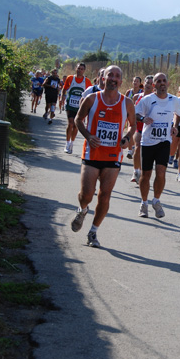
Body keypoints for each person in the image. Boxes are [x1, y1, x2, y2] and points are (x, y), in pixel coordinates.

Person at [70, 66, 136, 247]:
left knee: (105, 196)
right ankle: (83, 210)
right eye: (110, 75)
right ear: (103, 78)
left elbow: (133, 125)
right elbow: (78, 119)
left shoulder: (127, 103)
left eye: (117, 76)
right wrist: (88, 136)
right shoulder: (92, 99)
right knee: (86, 194)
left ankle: (93, 232)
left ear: (121, 81)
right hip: (92, 152)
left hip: (113, 156)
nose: (113, 78)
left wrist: (127, 138)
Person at [136, 72, 180, 218]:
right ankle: (144, 203)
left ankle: (156, 201)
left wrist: (175, 126)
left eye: (164, 80)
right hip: (148, 141)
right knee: (146, 174)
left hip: (164, 141)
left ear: (167, 83)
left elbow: (179, 114)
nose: (162, 83)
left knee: (161, 172)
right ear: (154, 84)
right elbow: (136, 114)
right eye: (159, 81)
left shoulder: (173, 100)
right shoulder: (147, 99)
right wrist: (143, 118)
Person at [62, 63, 92, 154]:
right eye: (78, 68)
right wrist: (62, 97)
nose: (80, 70)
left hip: (80, 107)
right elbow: (65, 88)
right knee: (70, 123)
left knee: (76, 126)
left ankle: (72, 143)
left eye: (82, 69)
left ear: (84, 70)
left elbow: (90, 93)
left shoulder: (86, 81)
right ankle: (67, 143)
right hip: (70, 104)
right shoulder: (70, 78)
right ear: (76, 68)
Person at [131, 74, 154, 184]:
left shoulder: (156, 98)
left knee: (146, 153)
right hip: (139, 127)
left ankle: (144, 173)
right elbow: (132, 112)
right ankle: (136, 172)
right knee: (137, 147)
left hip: (150, 129)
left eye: (151, 83)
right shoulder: (137, 97)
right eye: (147, 82)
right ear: (143, 84)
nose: (148, 85)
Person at [125, 76, 144, 160]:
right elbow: (124, 102)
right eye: (134, 81)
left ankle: (133, 148)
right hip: (128, 113)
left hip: (137, 115)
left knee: (133, 131)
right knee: (129, 131)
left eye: (137, 81)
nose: (135, 82)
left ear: (140, 83)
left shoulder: (142, 92)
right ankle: (130, 150)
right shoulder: (128, 92)